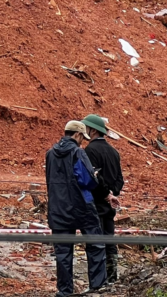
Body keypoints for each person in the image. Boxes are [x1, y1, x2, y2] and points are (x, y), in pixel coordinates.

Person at [45, 120, 108, 297]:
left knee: (63, 252)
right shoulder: (78, 152)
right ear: (78, 135)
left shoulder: (50, 154)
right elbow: (87, 180)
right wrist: (95, 176)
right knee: (95, 244)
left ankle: (64, 291)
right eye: (82, 137)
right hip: (82, 206)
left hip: (58, 208)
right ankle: (97, 287)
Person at [82, 115, 124, 284]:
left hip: (97, 202)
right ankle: (112, 277)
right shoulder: (114, 152)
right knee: (109, 239)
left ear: (92, 130)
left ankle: (99, 281)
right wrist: (113, 194)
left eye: (87, 128)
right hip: (110, 204)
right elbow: (119, 179)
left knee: (96, 242)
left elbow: (93, 178)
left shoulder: (89, 151)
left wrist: (106, 195)